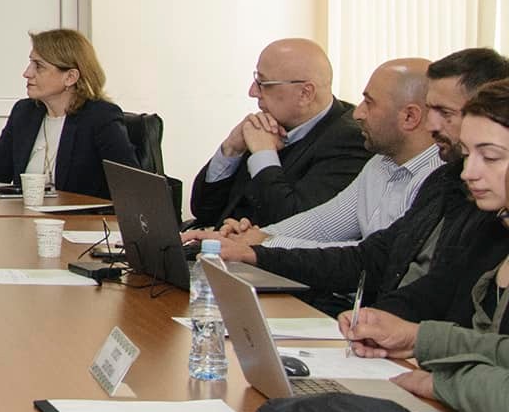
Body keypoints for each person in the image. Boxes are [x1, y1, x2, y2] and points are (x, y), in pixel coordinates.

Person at [212, 49, 509, 321]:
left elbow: (434, 292)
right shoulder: (439, 179)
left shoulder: (351, 144)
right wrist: (256, 243)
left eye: (443, 112)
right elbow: (361, 246)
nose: (356, 113)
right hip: (383, 321)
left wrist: (259, 245)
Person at [339, 79, 509, 412]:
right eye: (467, 154)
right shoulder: (494, 231)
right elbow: (501, 349)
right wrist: (417, 338)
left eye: (491, 157)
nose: (468, 172)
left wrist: (440, 384)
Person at [204, 58, 438, 249]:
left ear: (410, 117)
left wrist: (261, 243)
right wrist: (254, 237)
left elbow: (371, 257)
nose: (358, 113)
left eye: (369, 103)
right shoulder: (381, 163)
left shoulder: (435, 177)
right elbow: (322, 224)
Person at [186, 38, 370, 227]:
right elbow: (204, 212)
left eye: (263, 83)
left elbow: (295, 225)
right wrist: (232, 149)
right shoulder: (269, 123)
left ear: (305, 94)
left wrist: (263, 155)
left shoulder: (351, 141)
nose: (252, 92)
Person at [0, 29, 136, 199]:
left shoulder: (100, 117)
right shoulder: (24, 112)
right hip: (25, 215)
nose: (27, 73)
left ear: (70, 77)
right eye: (30, 63)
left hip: (81, 216)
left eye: (39, 66)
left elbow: (131, 188)